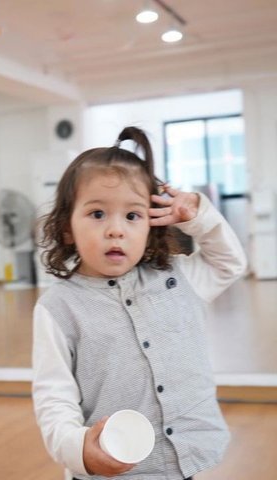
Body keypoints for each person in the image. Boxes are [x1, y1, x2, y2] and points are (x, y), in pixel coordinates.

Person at [32, 126, 247, 480]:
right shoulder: (58, 308)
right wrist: (78, 450)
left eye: (132, 216)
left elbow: (230, 263)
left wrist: (200, 216)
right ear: (67, 227)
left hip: (183, 461)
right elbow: (54, 398)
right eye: (97, 214)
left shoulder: (179, 278)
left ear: (151, 224)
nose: (116, 230)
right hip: (110, 467)